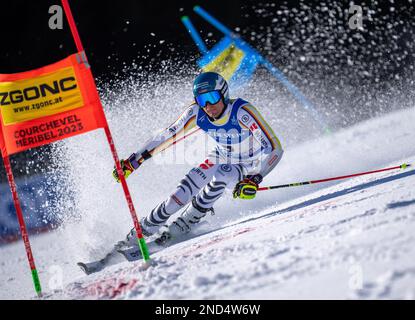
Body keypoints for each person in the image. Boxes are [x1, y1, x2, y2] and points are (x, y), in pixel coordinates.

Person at [113, 72, 283, 244]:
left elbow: (275, 148)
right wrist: (134, 161)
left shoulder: (242, 112)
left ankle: (186, 222)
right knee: (178, 196)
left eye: (212, 97)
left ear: (224, 94)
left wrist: (255, 177)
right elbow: (166, 135)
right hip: (220, 155)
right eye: (202, 100)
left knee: (222, 175)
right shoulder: (195, 112)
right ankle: (139, 233)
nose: (208, 105)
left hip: (247, 164)